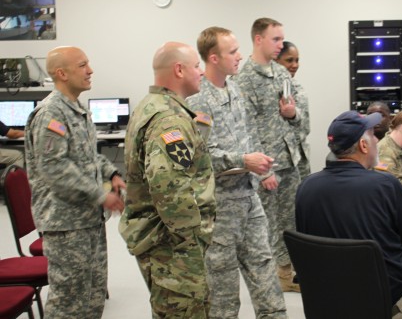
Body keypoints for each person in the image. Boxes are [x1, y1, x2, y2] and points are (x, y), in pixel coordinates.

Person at [296, 111, 402, 319]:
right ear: (364, 146)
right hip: (388, 303)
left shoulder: (306, 188)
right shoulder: (385, 185)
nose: (377, 140)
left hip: (330, 303)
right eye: (374, 135)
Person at [187, 26, 287, 318]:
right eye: (232, 52)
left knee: (264, 270)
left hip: (248, 196)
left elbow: (249, 135)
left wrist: (261, 169)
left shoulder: (235, 89)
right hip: (219, 205)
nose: (239, 56)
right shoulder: (197, 100)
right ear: (213, 58)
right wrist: (244, 160)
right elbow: (200, 157)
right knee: (222, 287)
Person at [24, 46, 126, 319]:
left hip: (88, 220)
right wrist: (100, 195)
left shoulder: (76, 110)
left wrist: (111, 174)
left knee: (92, 297)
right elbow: (54, 168)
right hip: (65, 224)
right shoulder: (51, 113)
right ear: (62, 73)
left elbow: (88, 158)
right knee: (69, 302)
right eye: (82, 65)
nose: (90, 70)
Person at [119, 42, 216, 318]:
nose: (201, 73)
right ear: (179, 69)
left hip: (164, 239)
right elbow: (169, 188)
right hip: (173, 245)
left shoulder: (150, 106)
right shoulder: (169, 119)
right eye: (197, 66)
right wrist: (191, 238)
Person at [235, 17, 301, 292]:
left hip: (289, 160)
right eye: (275, 39)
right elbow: (245, 128)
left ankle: (288, 272)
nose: (281, 44)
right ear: (258, 39)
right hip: (266, 166)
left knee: (291, 221)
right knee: (265, 227)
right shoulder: (244, 78)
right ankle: (273, 278)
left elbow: (296, 118)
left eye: (282, 39)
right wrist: (264, 171)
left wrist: (293, 113)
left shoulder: (281, 73)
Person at [276, 40, 311, 180]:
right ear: (276, 61)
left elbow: (305, 125)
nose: (295, 65)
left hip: (301, 157)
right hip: (281, 162)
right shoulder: (270, 89)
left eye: (297, 60)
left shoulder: (297, 87)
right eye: (289, 60)